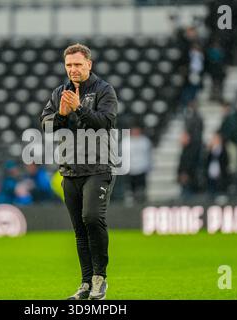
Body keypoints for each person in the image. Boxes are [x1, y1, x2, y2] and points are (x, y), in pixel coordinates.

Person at [40, 43, 118, 300]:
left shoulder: (104, 90)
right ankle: (85, 284)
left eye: (77, 64)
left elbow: (105, 123)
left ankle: (100, 279)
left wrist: (80, 108)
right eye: (69, 65)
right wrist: (61, 115)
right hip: (70, 170)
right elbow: (47, 127)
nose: (73, 69)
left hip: (98, 167)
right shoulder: (59, 93)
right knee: (80, 229)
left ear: (89, 64)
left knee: (92, 218)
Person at [123, 126, 153, 204]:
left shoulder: (145, 141)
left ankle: (141, 203)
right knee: (130, 190)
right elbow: (123, 156)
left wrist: (149, 167)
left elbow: (148, 155)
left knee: (141, 189)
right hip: (130, 169)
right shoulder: (126, 141)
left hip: (142, 169)